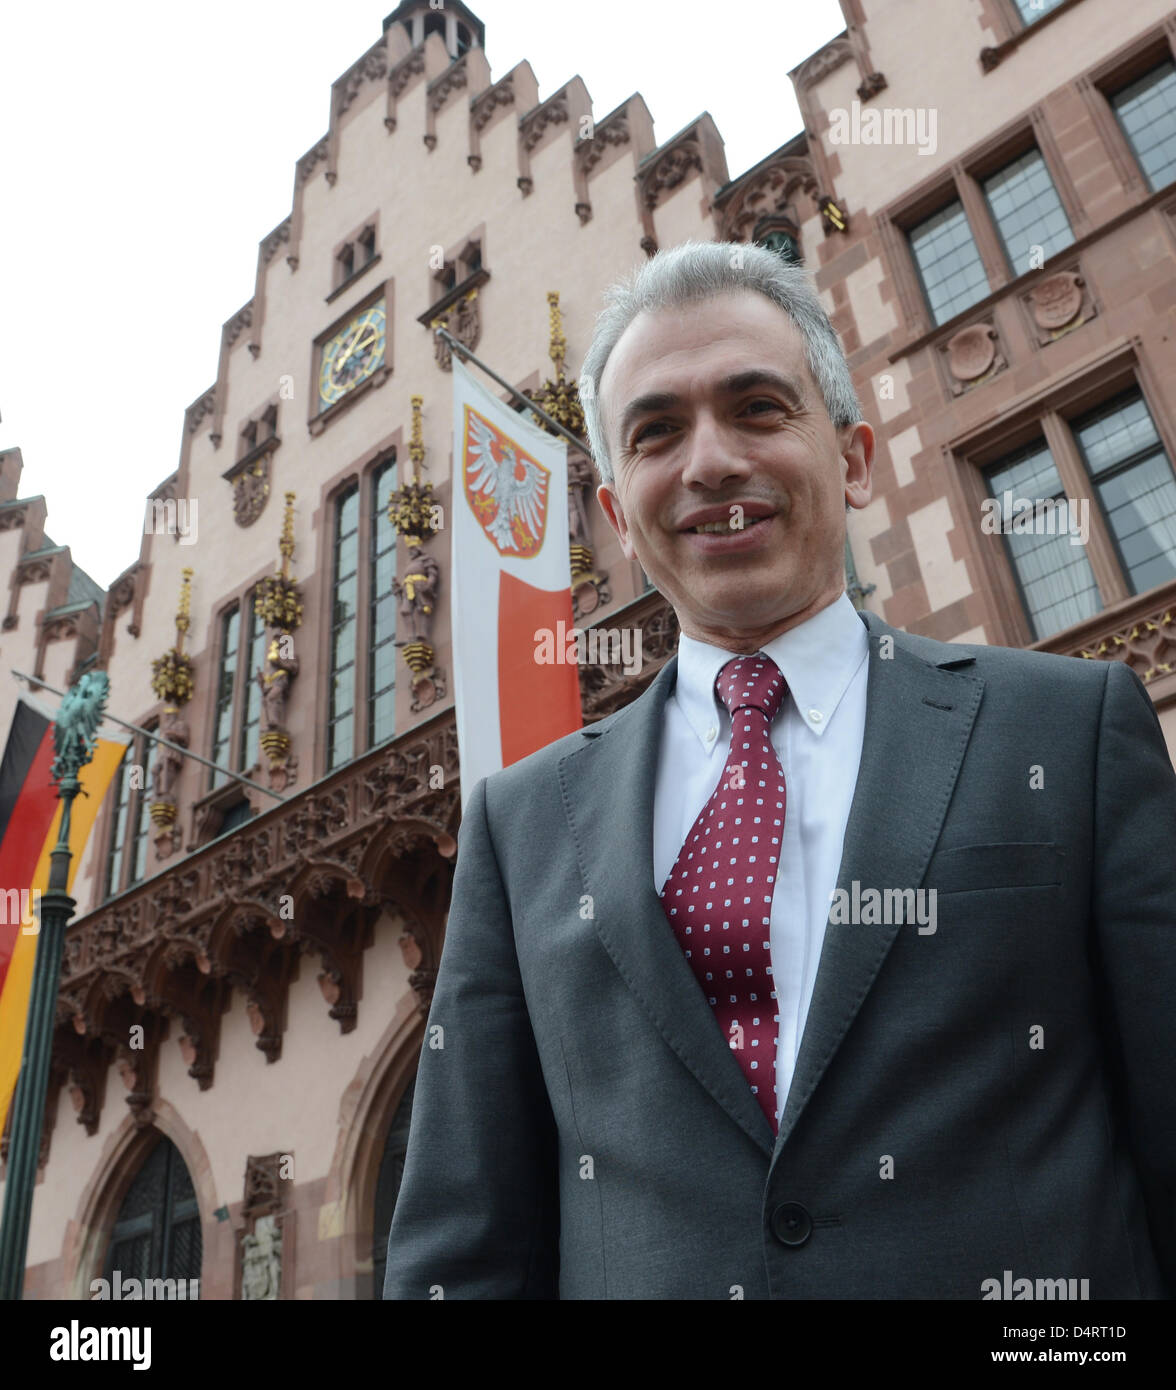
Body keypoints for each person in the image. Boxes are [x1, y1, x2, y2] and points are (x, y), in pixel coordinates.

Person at [383, 240, 1176, 1300]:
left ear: (852, 458)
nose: (709, 461)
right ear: (618, 515)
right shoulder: (522, 824)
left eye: (757, 407)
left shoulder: (1066, 732)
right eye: (657, 431)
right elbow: (462, 1244)